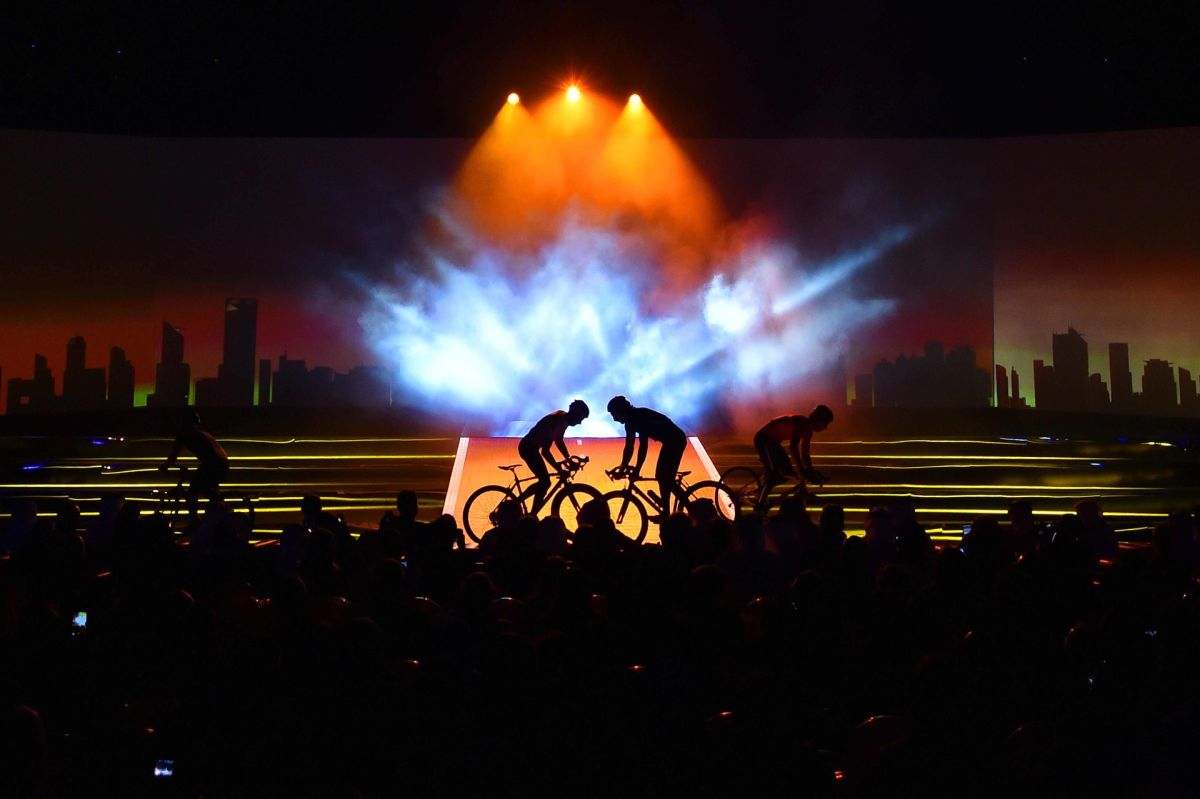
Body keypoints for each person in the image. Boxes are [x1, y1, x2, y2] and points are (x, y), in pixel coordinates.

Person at [607, 395, 689, 522]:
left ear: (621, 410)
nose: (614, 419)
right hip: (671, 440)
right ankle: (666, 510)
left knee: (664, 478)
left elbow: (643, 447)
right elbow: (629, 447)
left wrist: (637, 470)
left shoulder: (638, 417)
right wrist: (622, 467)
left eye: (614, 414)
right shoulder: (630, 422)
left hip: (675, 440)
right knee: (663, 477)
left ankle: (677, 511)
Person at [514, 399, 590, 515]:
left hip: (529, 447)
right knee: (545, 482)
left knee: (544, 482)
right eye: (581, 418)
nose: (580, 423)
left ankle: (530, 512)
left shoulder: (562, 419)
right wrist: (559, 469)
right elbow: (545, 452)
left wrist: (568, 459)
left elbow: (559, 441)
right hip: (528, 448)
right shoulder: (559, 421)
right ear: (576, 413)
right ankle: (524, 509)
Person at [753, 405, 832, 512]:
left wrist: (810, 470)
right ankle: (760, 505)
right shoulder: (802, 423)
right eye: (826, 423)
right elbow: (793, 447)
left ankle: (761, 490)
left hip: (774, 442)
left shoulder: (808, 431)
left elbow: (805, 453)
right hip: (763, 439)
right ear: (819, 420)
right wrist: (801, 469)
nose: (826, 427)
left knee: (787, 473)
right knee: (775, 475)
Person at [160, 412, 230, 527]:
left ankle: (195, 521)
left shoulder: (184, 436)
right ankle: (216, 504)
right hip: (220, 463)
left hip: (213, 464)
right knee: (200, 487)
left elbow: (173, 455)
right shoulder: (203, 434)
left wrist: (165, 466)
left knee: (193, 491)